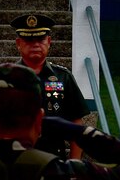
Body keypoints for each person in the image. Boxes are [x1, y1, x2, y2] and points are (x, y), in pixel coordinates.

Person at [10, 13, 90, 159]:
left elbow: (76, 124)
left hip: (54, 162)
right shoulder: (6, 78)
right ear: (18, 44)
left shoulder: (63, 77)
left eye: (40, 39)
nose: (35, 44)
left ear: (49, 42)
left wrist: (74, 165)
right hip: (15, 163)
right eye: (28, 39)